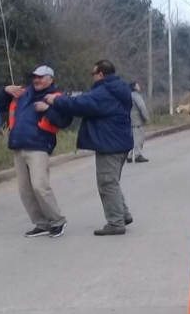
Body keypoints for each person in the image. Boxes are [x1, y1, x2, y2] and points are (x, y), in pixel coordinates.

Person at [45, 59, 134, 236]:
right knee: (111, 181)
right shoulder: (117, 88)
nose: (92, 77)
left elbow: (80, 104)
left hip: (110, 144)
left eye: (93, 73)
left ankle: (116, 222)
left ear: (101, 74)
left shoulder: (105, 91)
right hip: (119, 142)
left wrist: (56, 100)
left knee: (106, 182)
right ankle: (122, 214)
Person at [1, 66, 73, 237]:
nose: (37, 80)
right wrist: (4, 90)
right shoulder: (23, 93)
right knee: (24, 190)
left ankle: (57, 221)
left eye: (41, 77)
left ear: (51, 79)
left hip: (39, 146)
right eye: (35, 77)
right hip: (18, 144)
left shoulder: (57, 97)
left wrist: (47, 109)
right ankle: (41, 223)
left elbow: (64, 121)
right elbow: (1, 104)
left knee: (40, 186)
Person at [127, 81, 151, 164]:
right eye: (137, 85)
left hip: (129, 121)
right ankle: (137, 155)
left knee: (131, 140)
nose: (139, 86)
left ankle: (129, 156)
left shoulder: (127, 96)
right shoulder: (137, 96)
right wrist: (146, 117)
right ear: (134, 87)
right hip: (137, 121)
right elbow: (142, 107)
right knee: (138, 139)